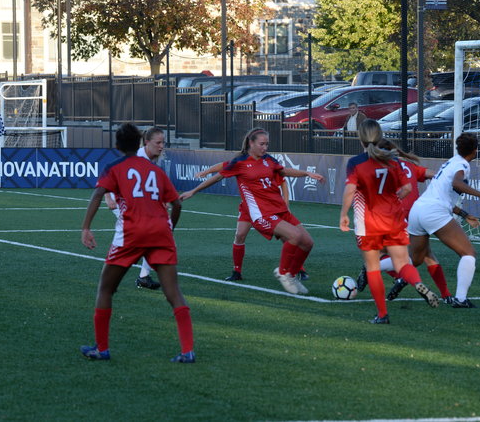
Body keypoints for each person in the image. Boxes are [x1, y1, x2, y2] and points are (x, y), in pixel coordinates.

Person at [80, 123, 195, 363]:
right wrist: (170, 228)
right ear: (141, 142)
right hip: (160, 233)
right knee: (174, 293)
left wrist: (86, 228)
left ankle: (102, 348)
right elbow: (177, 204)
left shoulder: (114, 167)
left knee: (105, 289)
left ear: (117, 145)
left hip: (131, 233)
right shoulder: (155, 170)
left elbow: (98, 194)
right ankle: (187, 351)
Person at [180, 127, 324, 295]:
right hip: (262, 213)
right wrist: (194, 191)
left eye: (267, 144)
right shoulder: (240, 162)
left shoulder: (268, 159)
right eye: (262, 144)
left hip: (279, 208)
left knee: (308, 242)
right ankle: (282, 272)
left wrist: (306, 173)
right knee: (293, 236)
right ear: (251, 143)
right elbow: (218, 175)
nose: (265, 147)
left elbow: (284, 171)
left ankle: (291, 274)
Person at [340, 119, 440, 325]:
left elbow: (350, 190)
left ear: (360, 138)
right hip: (393, 219)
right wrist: (394, 199)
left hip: (368, 222)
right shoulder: (393, 161)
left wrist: (343, 214)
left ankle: (382, 314)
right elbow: (407, 188)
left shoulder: (356, 162)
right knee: (402, 263)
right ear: (380, 136)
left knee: (372, 267)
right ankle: (418, 283)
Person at [355, 138, 458, 304]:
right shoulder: (409, 165)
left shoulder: (379, 167)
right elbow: (431, 174)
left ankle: (388, 274)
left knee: (383, 253)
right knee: (427, 254)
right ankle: (445, 295)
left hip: (393, 216)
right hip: (415, 215)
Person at [408, 132, 480, 309]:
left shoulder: (450, 162)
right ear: (475, 150)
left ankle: (376, 268)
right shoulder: (462, 165)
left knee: (416, 259)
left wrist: (464, 214)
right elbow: (457, 184)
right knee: (468, 253)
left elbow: (443, 195)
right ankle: (460, 299)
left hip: (418, 209)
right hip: (433, 212)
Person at [195, 163, 309, 282]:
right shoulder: (242, 162)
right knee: (240, 235)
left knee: (286, 237)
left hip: (267, 208)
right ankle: (237, 272)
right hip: (248, 208)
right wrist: (206, 172)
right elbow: (224, 166)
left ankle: (299, 269)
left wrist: (286, 204)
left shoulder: (266, 163)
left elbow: (283, 182)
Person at [104, 126, 166, 290]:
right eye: (158, 142)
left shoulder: (152, 157)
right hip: (123, 202)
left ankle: (142, 276)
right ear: (147, 142)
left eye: (163, 143)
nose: (161, 146)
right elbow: (111, 172)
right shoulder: (138, 156)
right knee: (143, 235)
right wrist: (108, 196)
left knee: (149, 237)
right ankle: (114, 273)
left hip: (137, 203)